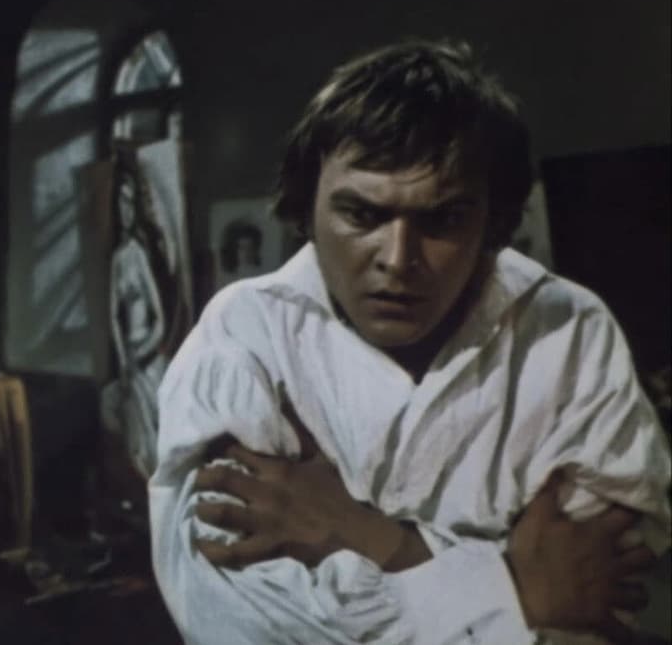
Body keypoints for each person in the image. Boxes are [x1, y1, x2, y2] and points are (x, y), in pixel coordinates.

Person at [150, 40, 671, 644]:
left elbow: (596, 597)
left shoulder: (567, 331)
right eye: (361, 215)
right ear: (306, 209)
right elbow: (241, 623)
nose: (398, 260)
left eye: (442, 220)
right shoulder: (244, 341)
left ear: (495, 222)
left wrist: (363, 535)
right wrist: (509, 591)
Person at [101, 159, 169, 479]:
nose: (124, 211)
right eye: (119, 205)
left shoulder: (140, 255)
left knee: (155, 438)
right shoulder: (117, 258)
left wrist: (143, 353)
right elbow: (113, 315)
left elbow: (160, 318)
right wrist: (123, 358)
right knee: (132, 439)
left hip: (148, 357)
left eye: (128, 203)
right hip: (128, 358)